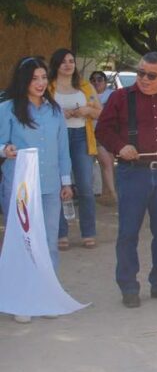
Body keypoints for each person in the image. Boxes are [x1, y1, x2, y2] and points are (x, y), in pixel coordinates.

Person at [96, 52, 157, 308]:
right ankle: (129, 286)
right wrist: (120, 147)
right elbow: (103, 130)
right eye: (140, 72)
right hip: (133, 173)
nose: (144, 79)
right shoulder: (121, 98)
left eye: (151, 75)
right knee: (128, 232)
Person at [0, 56, 74, 322]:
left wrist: (66, 182)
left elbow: (63, 149)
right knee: (23, 242)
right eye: (35, 78)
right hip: (21, 188)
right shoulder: (8, 109)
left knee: (49, 242)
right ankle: (22, 298)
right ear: (24, 81)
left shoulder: (54, 111)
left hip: (51, 186)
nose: (41, 83)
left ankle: (46, 294)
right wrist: (4, 150)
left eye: (44, 77)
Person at [47, 48, 101, 250]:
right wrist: (60, 113)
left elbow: (99, 112)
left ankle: (88, 232)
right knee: (60, 186)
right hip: (56, 140)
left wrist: (87, 110)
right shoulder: (49, 87)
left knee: (85, 186)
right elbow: (41, 112)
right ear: (56, 65)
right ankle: (61, 233)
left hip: (81, 137)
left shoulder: (85, 86)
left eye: (71, 61)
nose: (68, 65)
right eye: (63, 62)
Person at [88, 71, 118, 205]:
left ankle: (107, 193)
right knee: (105, 163)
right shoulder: (86, 94)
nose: (96, 82)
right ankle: (112, 193)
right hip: (92, 132)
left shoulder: (112, 95)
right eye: (93, 80)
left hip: (109, 132)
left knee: (109, 163)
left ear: (105, 82)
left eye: (100, 79)